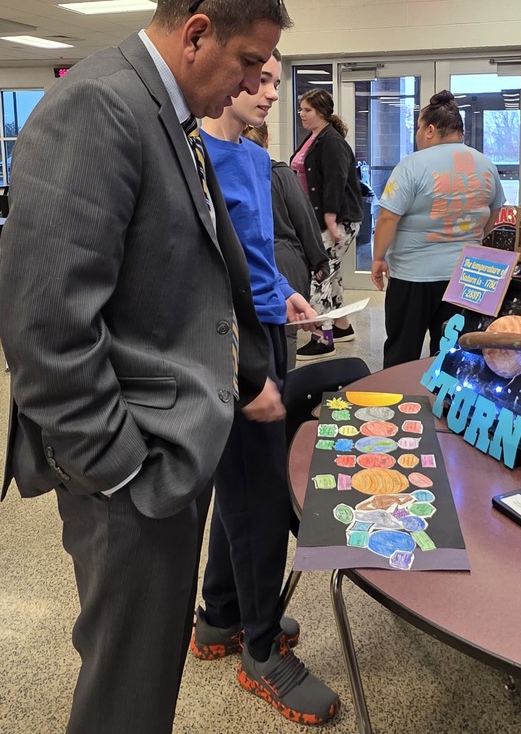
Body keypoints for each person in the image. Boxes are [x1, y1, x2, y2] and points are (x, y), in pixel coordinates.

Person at [0, 0, 291, 734]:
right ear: (196, 33)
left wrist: (248, 369)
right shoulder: (99, 105)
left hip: (170, 441)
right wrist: (124, 469)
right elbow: (42, 325)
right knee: (128, 691)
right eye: (248, 62)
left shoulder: (170, 114)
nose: (254, 83)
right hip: (129, 470)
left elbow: (197, 265)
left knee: (148, 675)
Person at [190, 51, 340, 724]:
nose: (272, 92)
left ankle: (218, 616)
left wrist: (288, 297)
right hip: (229, 354)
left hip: (267, 339)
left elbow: (252, 260)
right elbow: (198, 279)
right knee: (256, 496)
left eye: (280, 82)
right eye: (263, 77)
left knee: (243, 490)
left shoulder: (255, 159)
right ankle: (259, 649)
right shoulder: (192, 161)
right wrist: (243, 374)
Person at [370, 90, 506, 369]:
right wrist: (475, 238)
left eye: (419, 127)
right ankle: (444, 406)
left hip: (413, 276)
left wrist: (378, 257)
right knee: (451, 353)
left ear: (430, 130)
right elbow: (495, 212)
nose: (417, 134)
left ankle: (397, 403)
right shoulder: (485, 164)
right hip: (465, 276)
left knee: (402, 349)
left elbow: (387, 218)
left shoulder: (412, 165)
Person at [243, 121, 329, 369]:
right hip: (285, 257)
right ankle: (286, 387)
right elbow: (304, 219)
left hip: (249, 259)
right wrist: (319, 259)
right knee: (287, 331)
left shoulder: (226, 173)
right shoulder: (279, 173)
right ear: (267, 141)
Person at [291, 88, 364, 360]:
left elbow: (336, 180)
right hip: (322, 219)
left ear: (321, 112)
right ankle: (342, 327)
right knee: (332, 274)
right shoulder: (314, 138)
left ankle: (323, 339)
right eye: (301, 109)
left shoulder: (331, 141)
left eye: (307, 110)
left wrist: (331, 221)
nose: (302, 114)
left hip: (337, 220)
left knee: (318, 275)